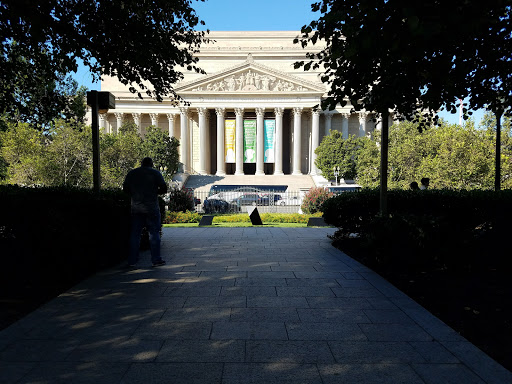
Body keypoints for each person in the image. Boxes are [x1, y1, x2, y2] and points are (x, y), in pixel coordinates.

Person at [123, 157, 167, 267]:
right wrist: (154, 192)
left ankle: (132, 261)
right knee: (154, 234)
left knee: (135, 235)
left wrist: (135, 194)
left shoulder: (132, 173)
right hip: (151, 208)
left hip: (136, 208)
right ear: (151, 164)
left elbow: (125, 189)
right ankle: (156, 259)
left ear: (141, 163)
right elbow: (164, 189)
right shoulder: (155, 173)